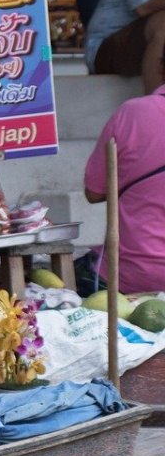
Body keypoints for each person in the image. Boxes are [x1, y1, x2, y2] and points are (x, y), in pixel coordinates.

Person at [82, 49, 165, 294]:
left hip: (131, 274)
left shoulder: (132, 113)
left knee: (47, 279)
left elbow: (94, 193)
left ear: (160, 67)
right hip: (133, 273)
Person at [85, 0, 165, 94]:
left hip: (142, 45)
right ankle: (156, 107)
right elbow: (144, 6)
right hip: (104, 48)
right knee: (163, 21)